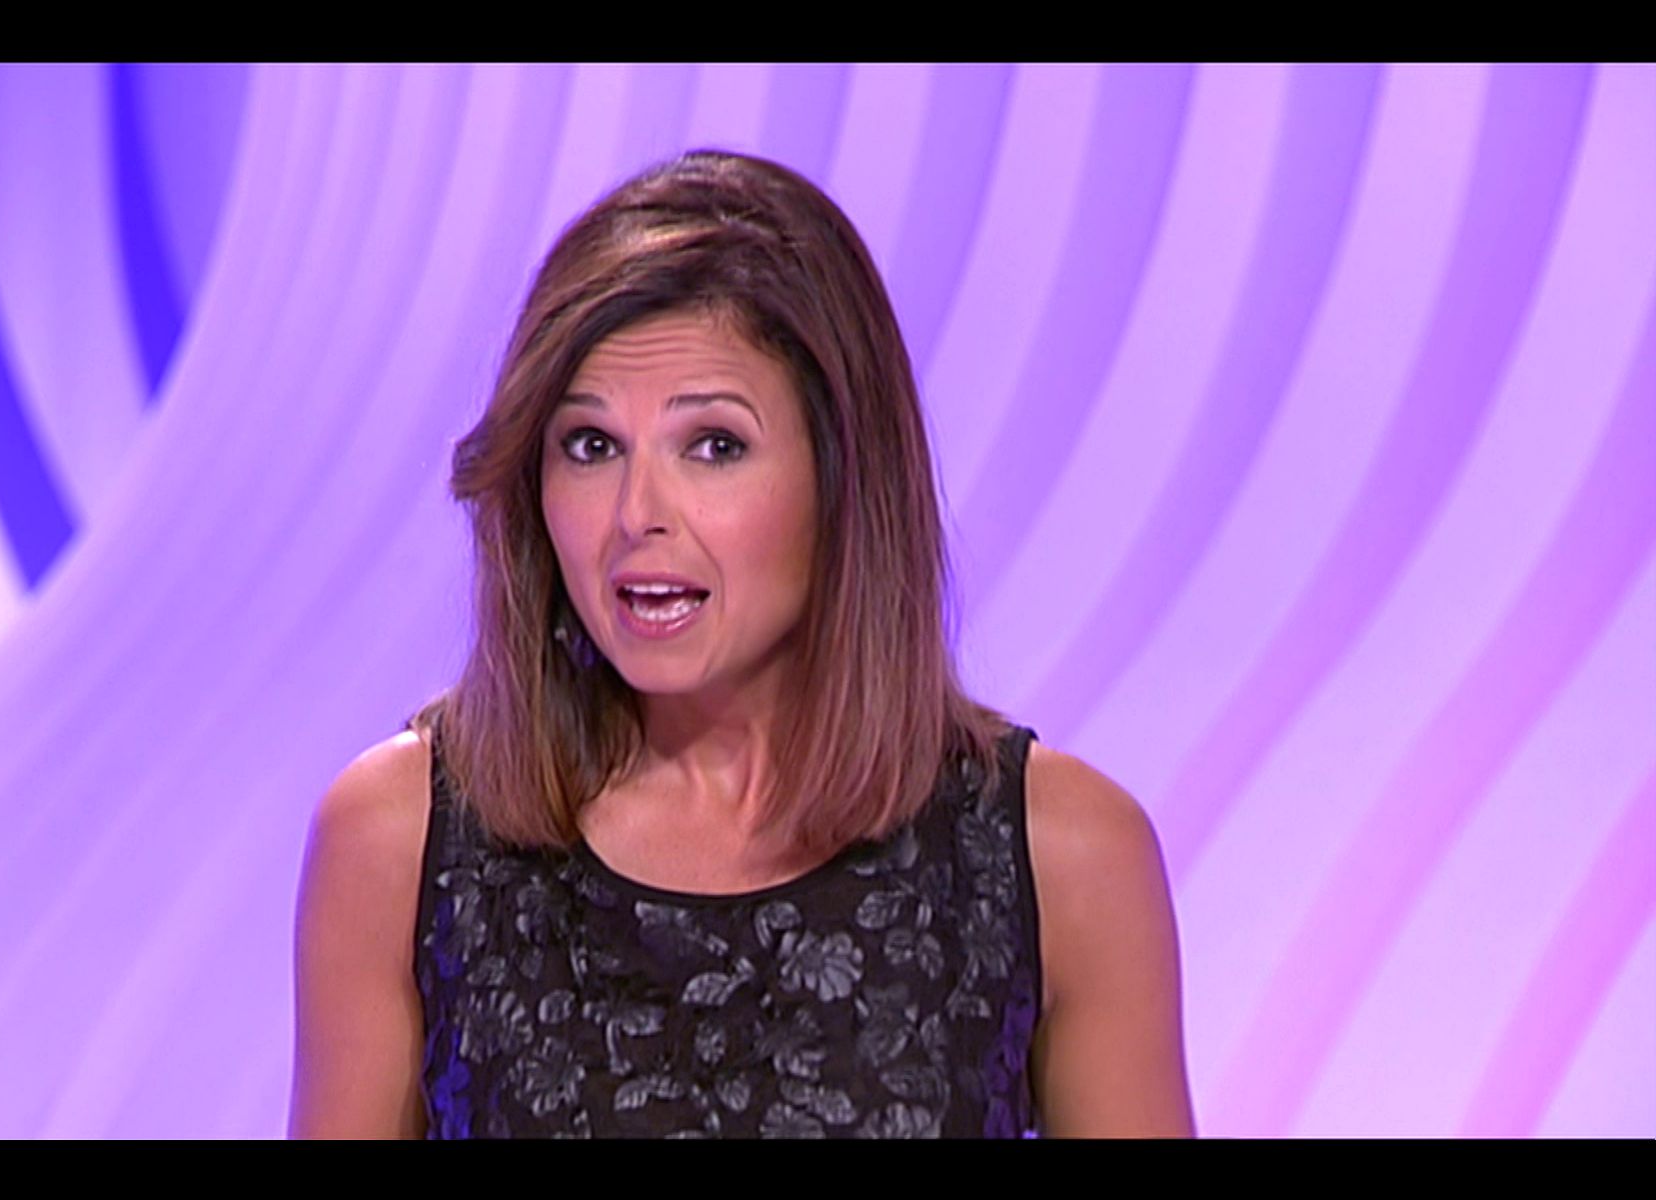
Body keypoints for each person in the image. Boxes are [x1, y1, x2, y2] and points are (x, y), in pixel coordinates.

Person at [288, 150, 1196, 1138]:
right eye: (591, 446)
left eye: (714, 446)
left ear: (842, 479)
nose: (637, 514)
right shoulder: (399, 839)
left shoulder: (1063, 856)